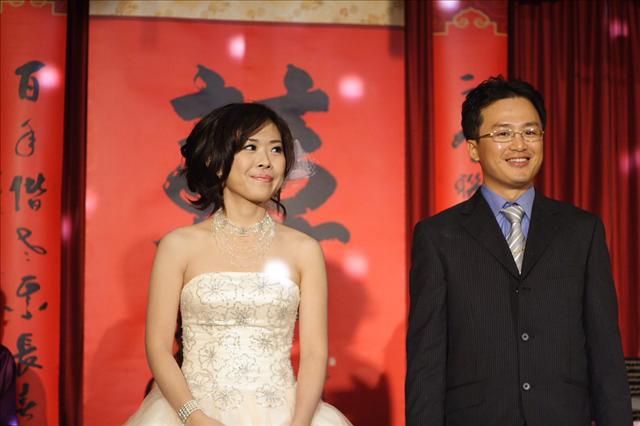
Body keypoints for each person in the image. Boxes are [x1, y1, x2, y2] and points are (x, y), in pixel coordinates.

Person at [405, 76, 632, 425]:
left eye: (530, 132)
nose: (519, 144)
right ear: (473, 148)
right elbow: (427, 361)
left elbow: (606, 352)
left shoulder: (582, 231)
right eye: (503, 133)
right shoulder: (438, 236)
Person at [127, 103, 351, 426]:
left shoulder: (304, 250)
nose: (266, 160)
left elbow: (315, 353)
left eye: (276, 149)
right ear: (215, 161)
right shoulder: (178, 246)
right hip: (194, 415)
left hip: (284, 414)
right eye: (251, 147)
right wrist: (194, 417)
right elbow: (158, 347)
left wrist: (300, 423)